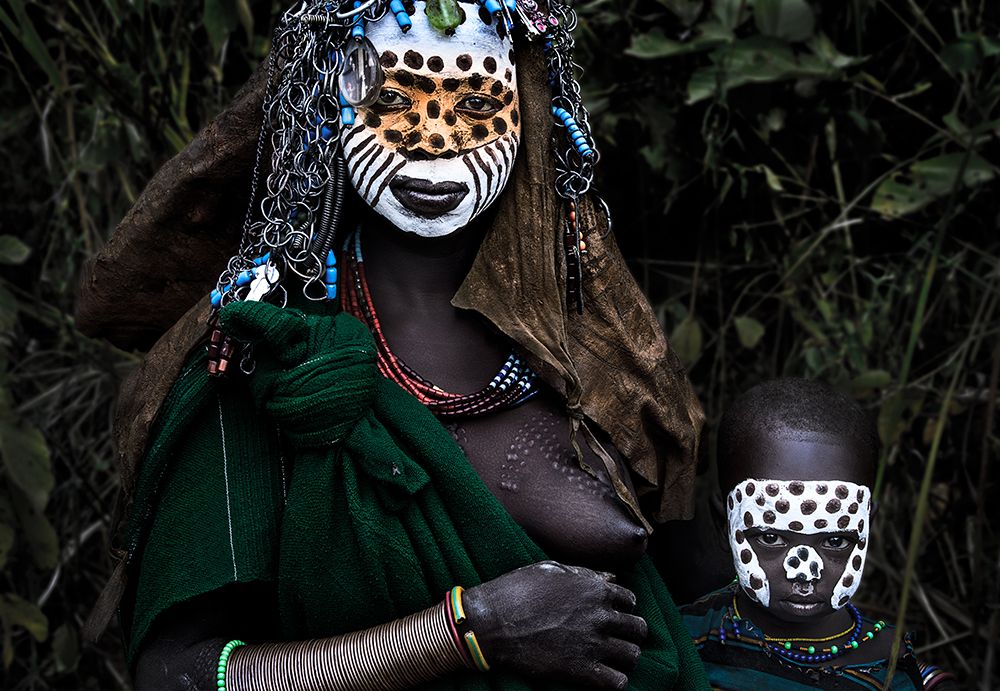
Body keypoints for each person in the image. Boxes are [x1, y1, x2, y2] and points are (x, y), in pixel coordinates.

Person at [76, 0, 710, 689]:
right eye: (391, 98)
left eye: (474, 100)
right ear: (325, 107)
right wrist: (468, 630)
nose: (433, 137)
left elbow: (713, 597)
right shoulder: (278, 361)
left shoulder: (597, 346)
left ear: (529, 107)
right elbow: (179, 676)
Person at [680, 379, 958, 690]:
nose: (804, 573)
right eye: (771, 539)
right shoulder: (681, 641)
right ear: (724, 524)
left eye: (835, 542)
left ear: (868, 526)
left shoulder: (893, 669)